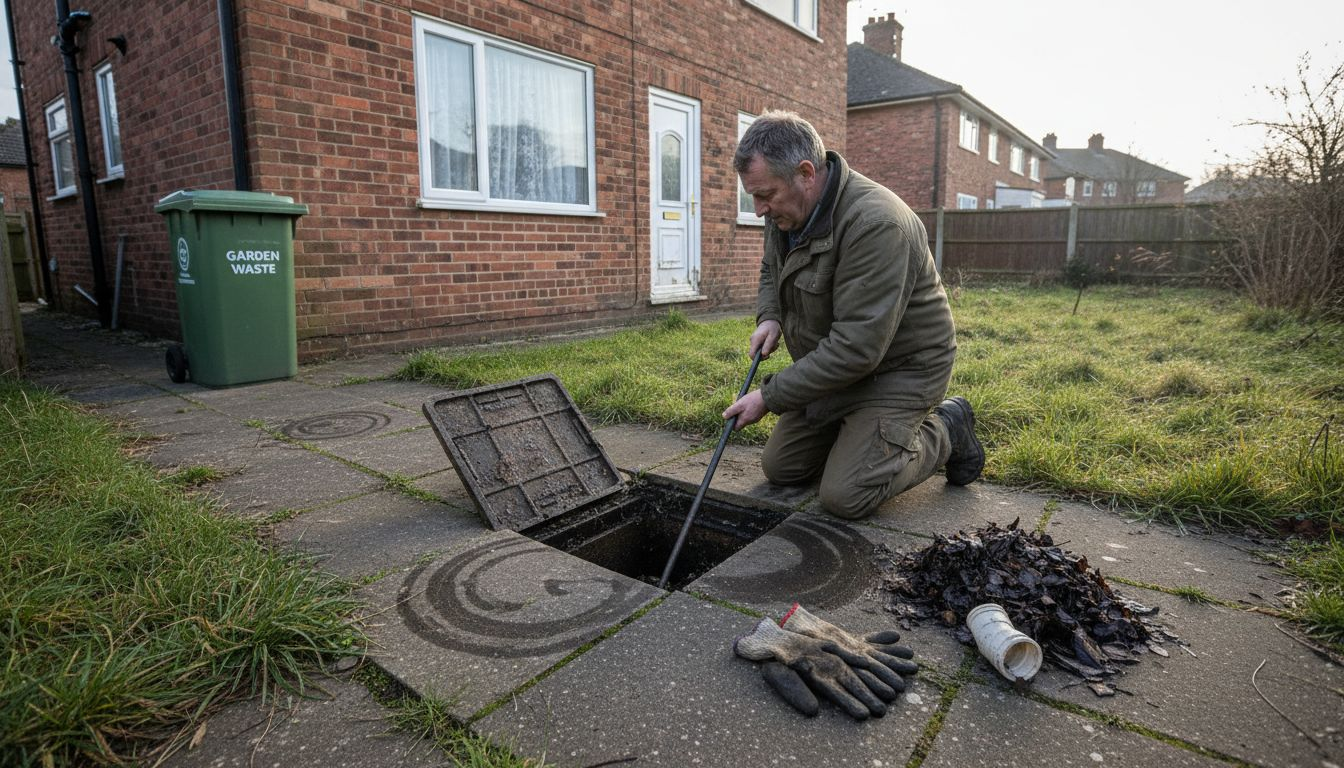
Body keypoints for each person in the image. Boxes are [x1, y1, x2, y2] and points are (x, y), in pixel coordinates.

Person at [723, 110, 984, 520]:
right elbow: (772, 267)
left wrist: (768, 397)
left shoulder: (877, 224)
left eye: (765, 195)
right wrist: (770, 316)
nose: (758, 210)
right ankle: (859, 440)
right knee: (782, 469)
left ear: (806, 173)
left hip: (900, 371)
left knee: (846, 495)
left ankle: (948, 428)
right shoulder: (787, 211)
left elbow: (857, 348)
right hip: (839, 369)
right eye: (753, 197)